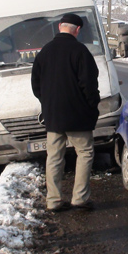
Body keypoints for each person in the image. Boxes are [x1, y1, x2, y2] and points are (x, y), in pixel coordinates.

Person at [31, 13, 100, 212]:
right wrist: (92, 106)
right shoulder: (80, 51)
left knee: (54, 157)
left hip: (53, 117)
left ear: (60, 26)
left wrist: (47, 102)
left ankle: (53, 201)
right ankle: (79, 198)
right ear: (77, 30)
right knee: (85, 153)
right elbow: (89, 84)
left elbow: (36, 85)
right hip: (79, 116)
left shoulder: (44, 52)